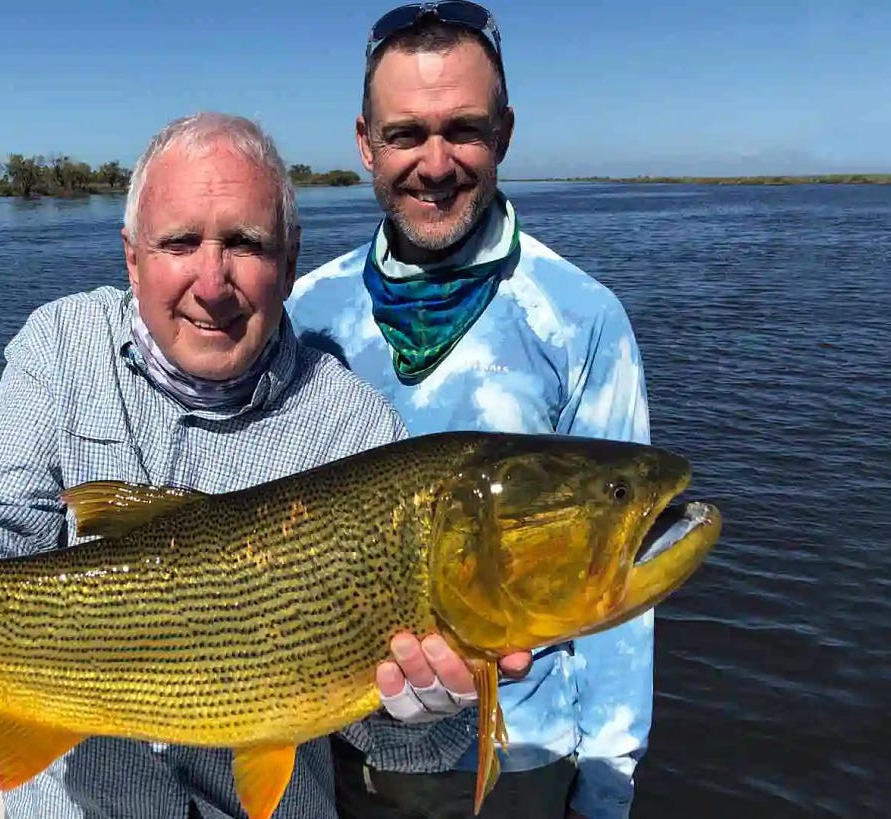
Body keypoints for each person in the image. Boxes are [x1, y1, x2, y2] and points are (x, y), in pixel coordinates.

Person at [0, 111, 532, 819]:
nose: (211, 280)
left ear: (289, 261)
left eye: (245, 243)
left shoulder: (355, 428)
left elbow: (407, 750)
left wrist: (424, 712)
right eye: (180, 242)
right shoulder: (62, 346)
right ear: (132, 257)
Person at [283, 4, 656, 819]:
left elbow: (619, 603)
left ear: (506, 132)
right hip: (338, 756)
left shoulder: (579, 317)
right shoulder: (307, 312)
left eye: (465, 129)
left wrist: (606, 789)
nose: (436, 161)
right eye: (406, 133)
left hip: (521, 763)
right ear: (364, 143)